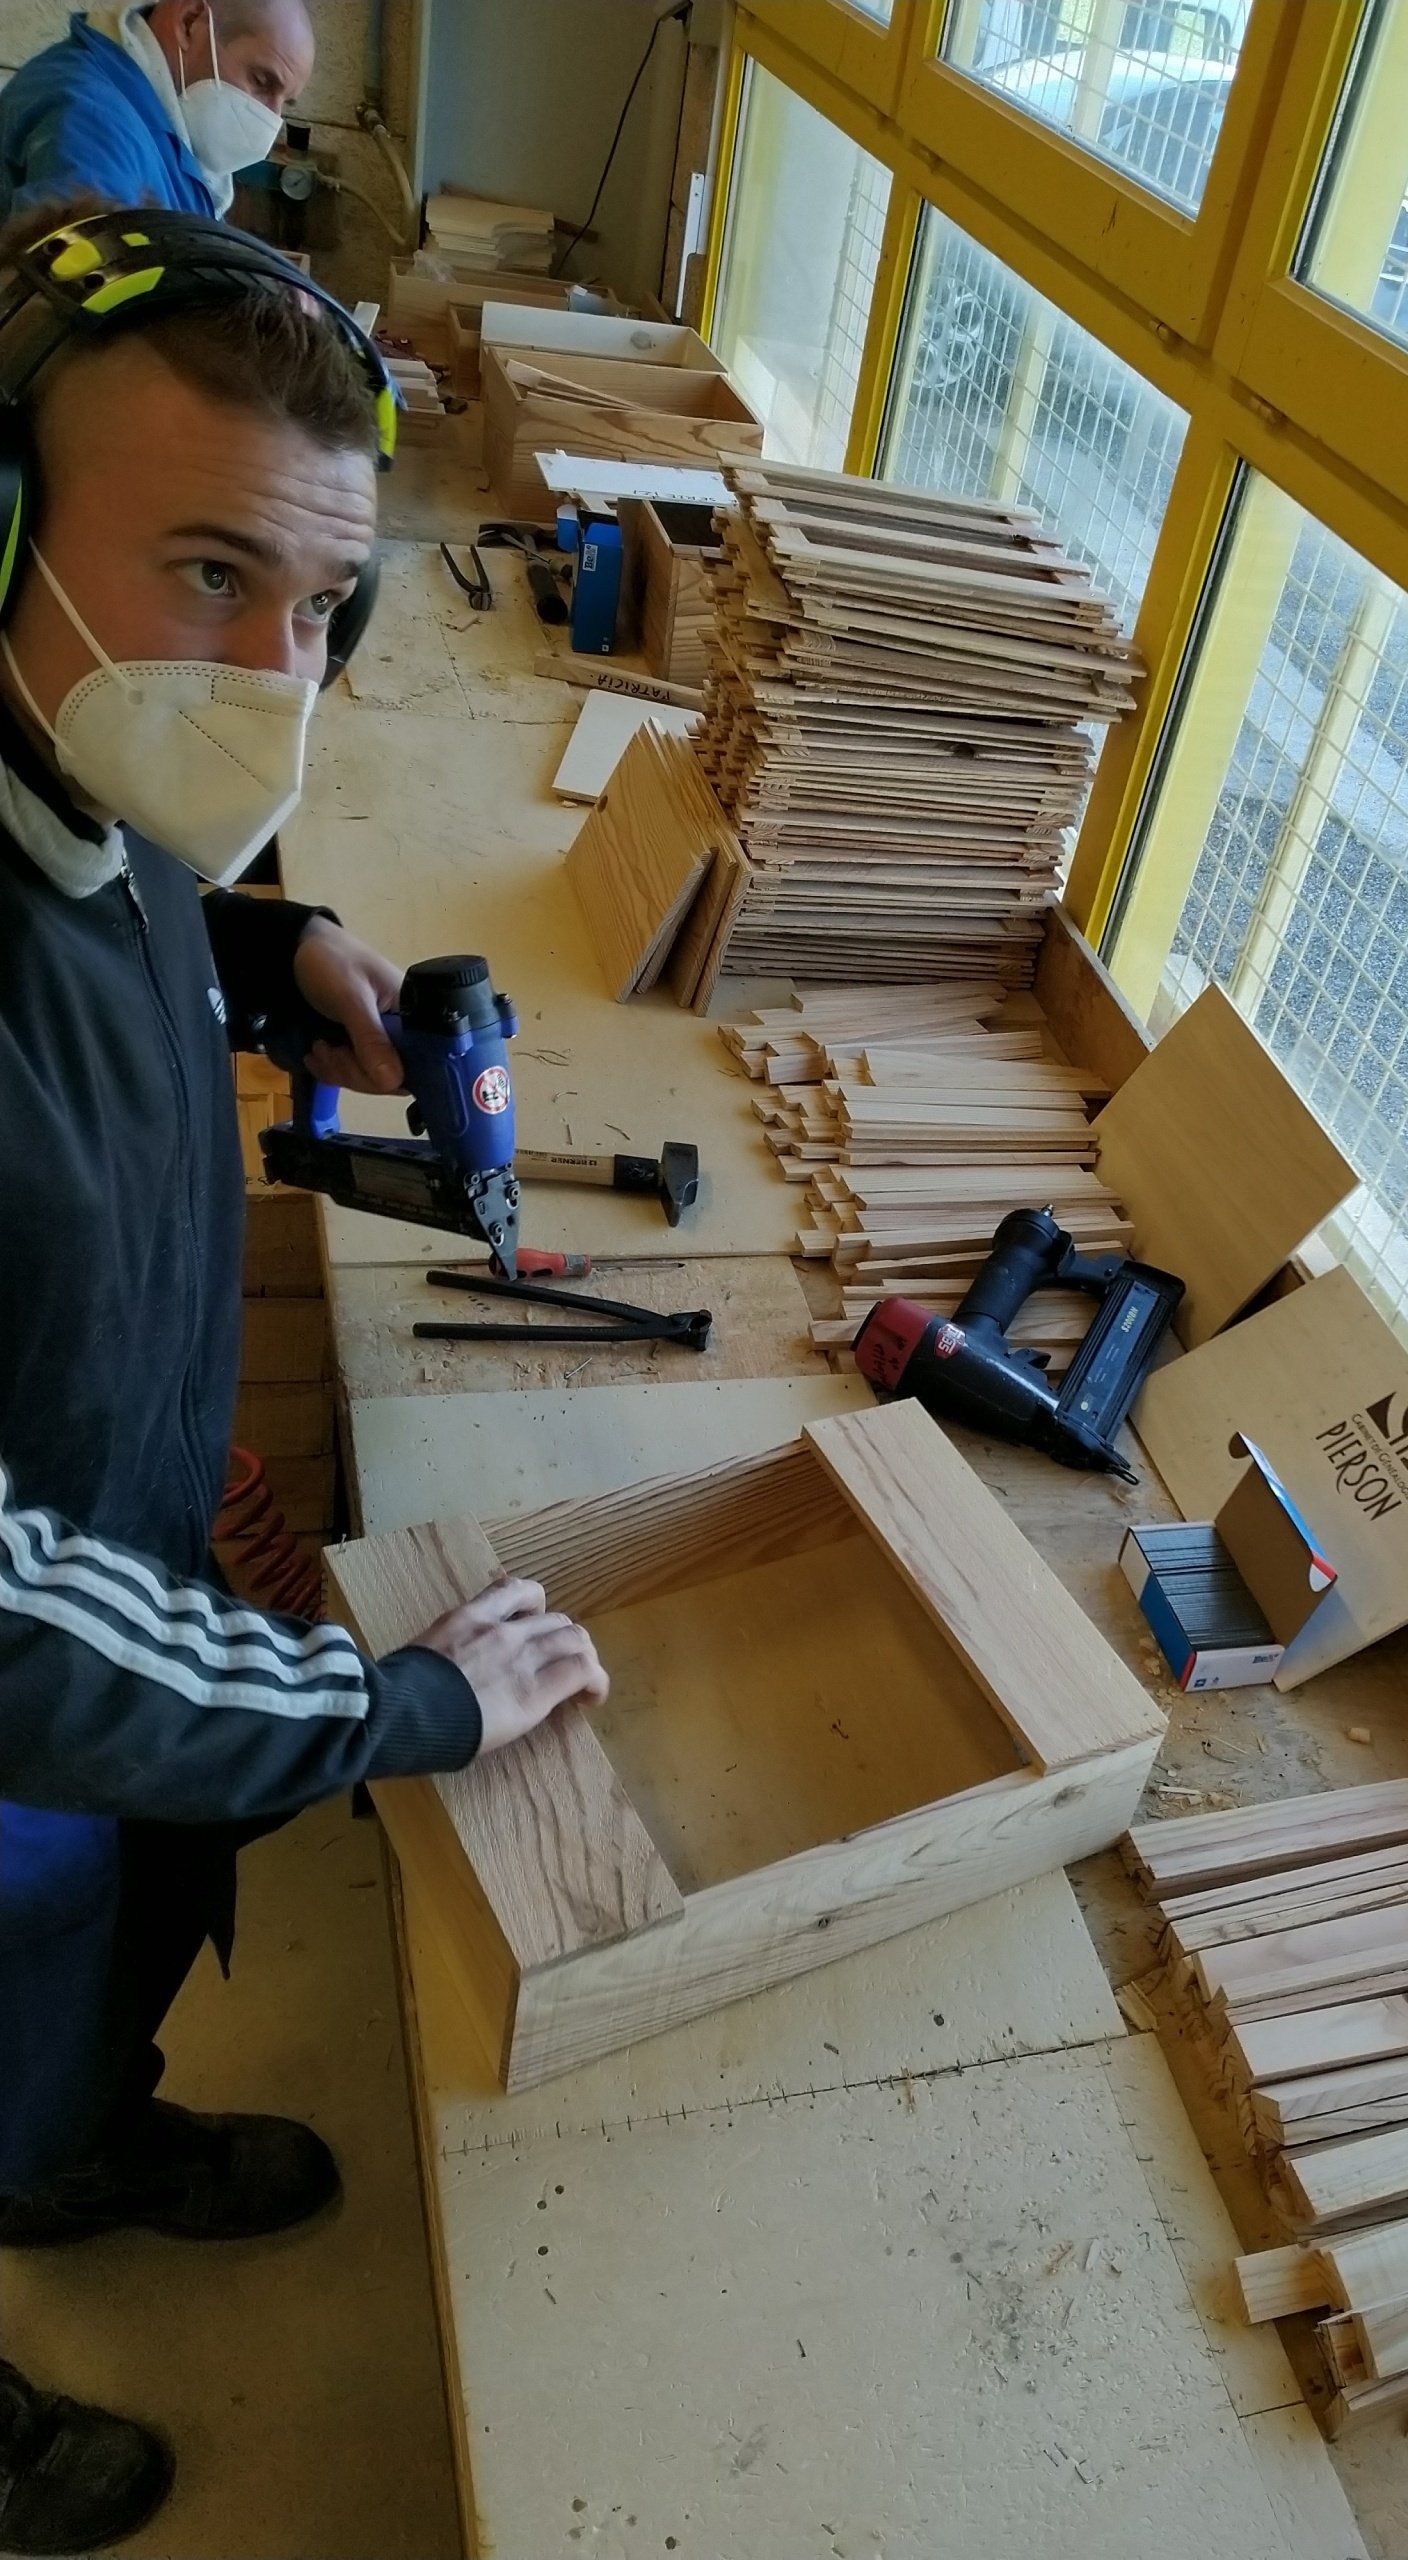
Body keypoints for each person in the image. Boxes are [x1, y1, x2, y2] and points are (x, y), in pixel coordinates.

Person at [0, 202, 609, 2557]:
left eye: (321, 604)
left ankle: (66, 2144)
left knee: (89, 1946)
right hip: (43, 1643)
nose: (274, 672)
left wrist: (273, 946)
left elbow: (100, 904)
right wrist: (381, 1705)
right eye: (207, 575)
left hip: (112, 1564)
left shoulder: (72, 758)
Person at [0, 2, 314, 225]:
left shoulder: (162, 126)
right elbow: (93, 303)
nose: (271, 121)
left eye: (285, 103)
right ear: (189, 22)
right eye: (262, 81)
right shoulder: (93, 122)